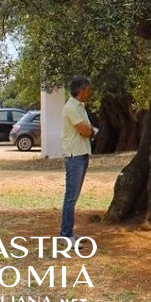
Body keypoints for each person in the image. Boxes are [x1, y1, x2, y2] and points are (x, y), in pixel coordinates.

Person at [60, 75, 97, 242]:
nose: (89, 92)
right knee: (71, 197)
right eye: (88, 89)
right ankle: (66, 234)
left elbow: (90, 129)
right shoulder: (71, 108)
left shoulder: (80, 107)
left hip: (82, 154)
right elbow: (86, 131)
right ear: (81, 90)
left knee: (74, 197)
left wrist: (89, 130)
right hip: (74, 156)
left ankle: (69, 232)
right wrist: (89, 130)